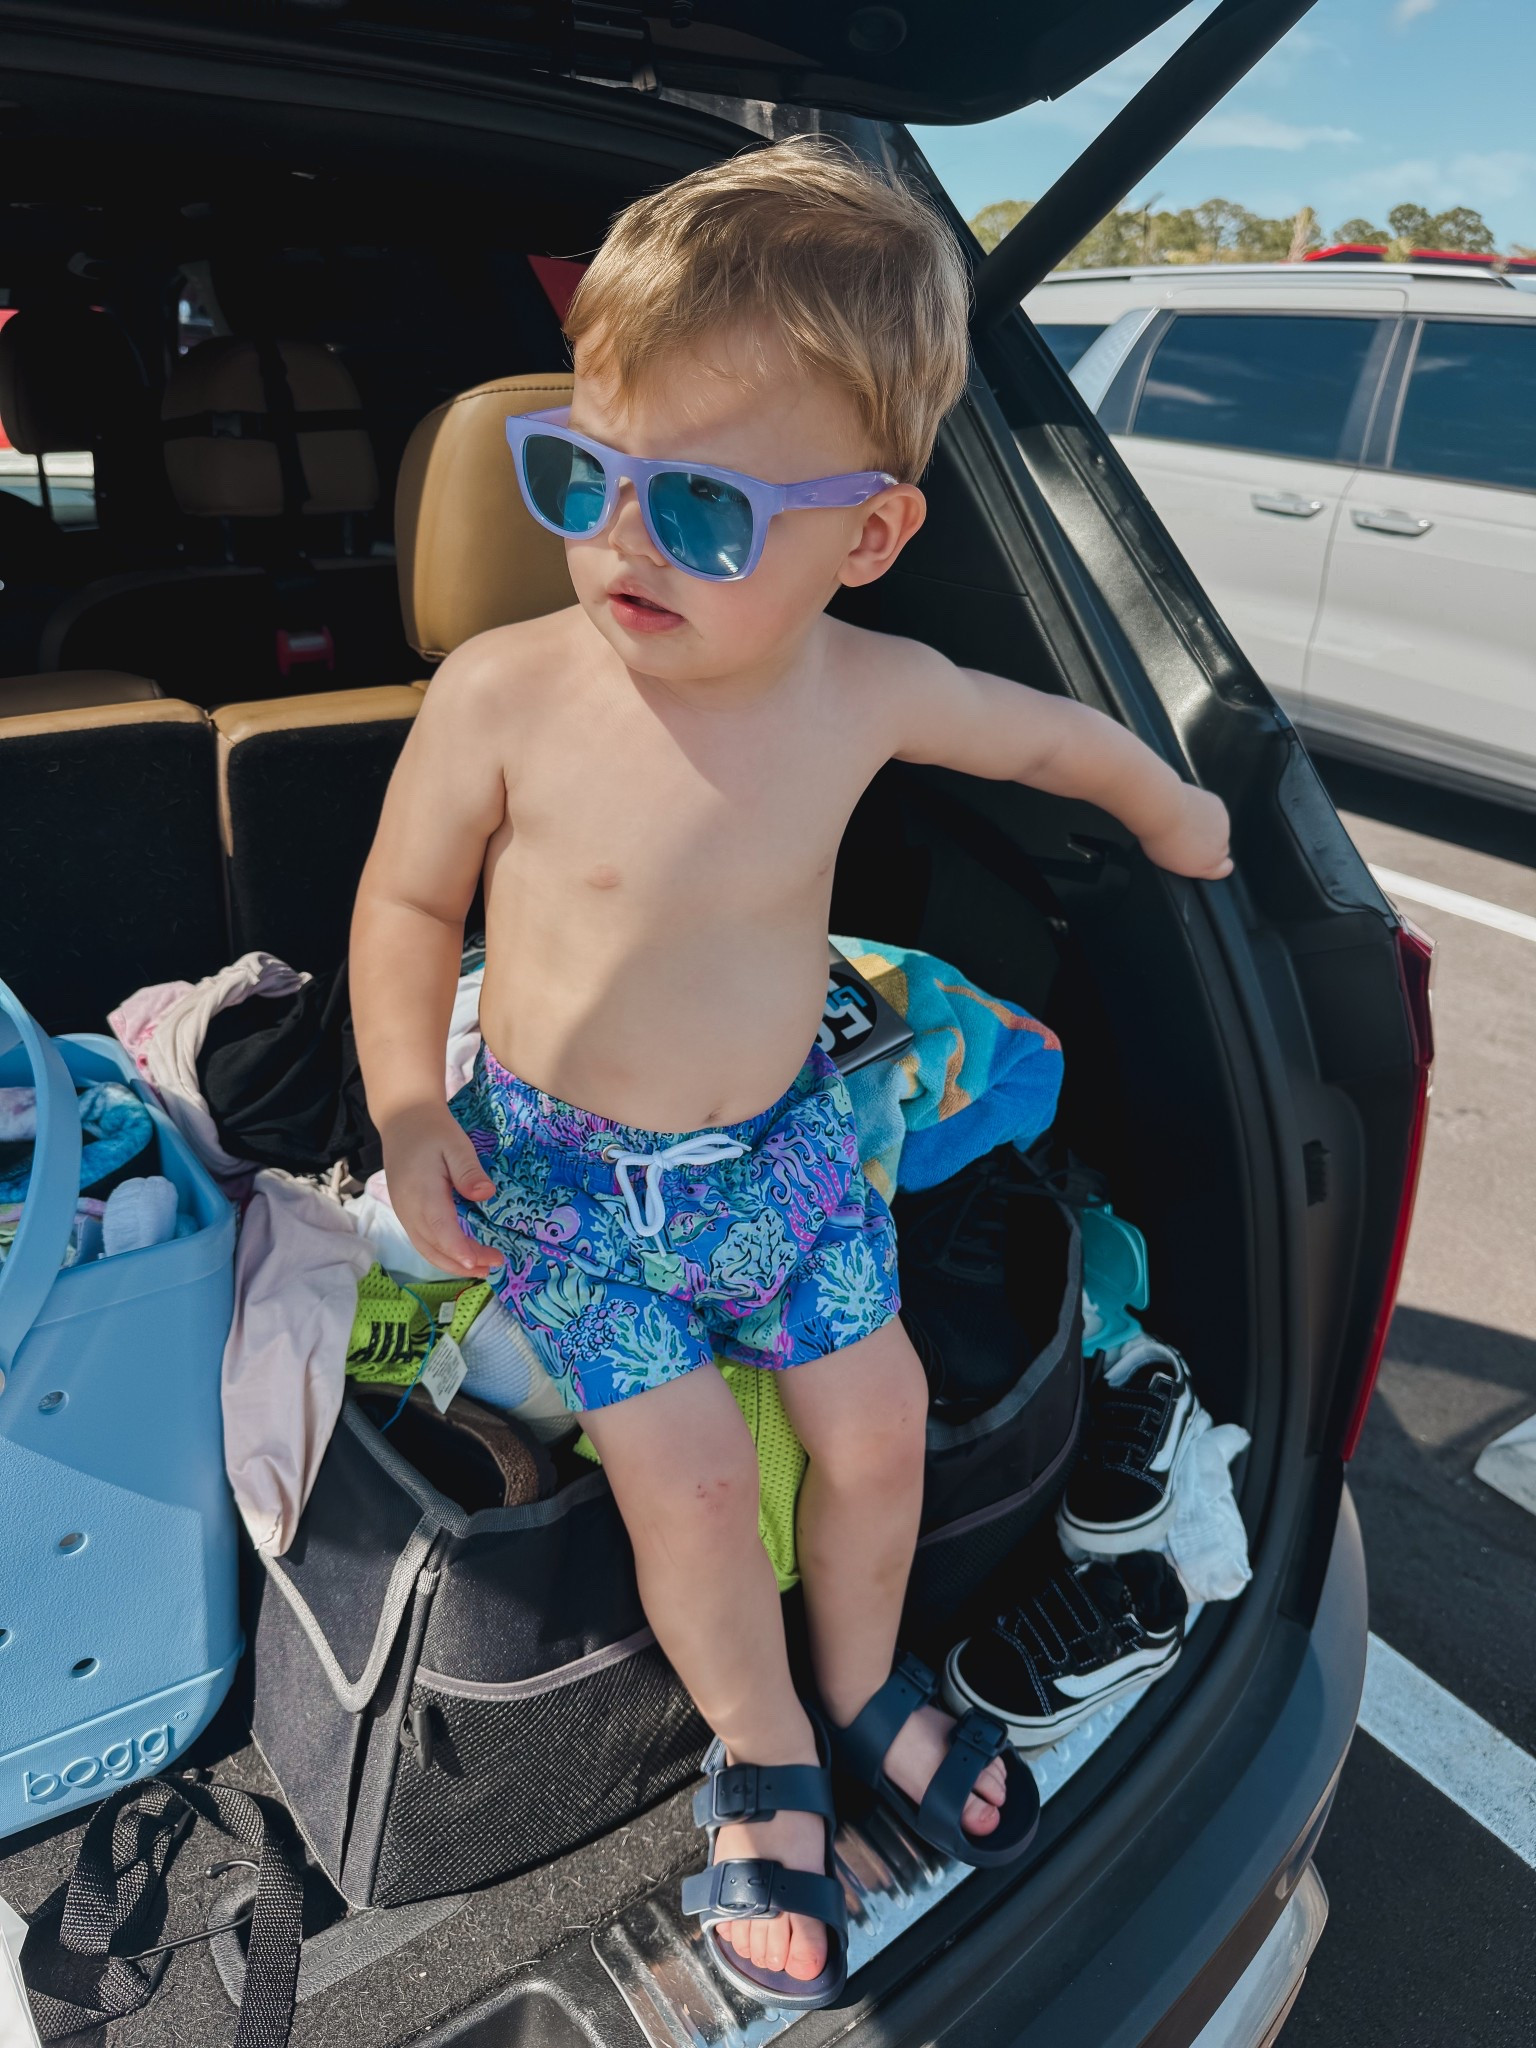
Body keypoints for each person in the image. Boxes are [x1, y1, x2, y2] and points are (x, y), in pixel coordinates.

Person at [351, 137, 1231, 2009]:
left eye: (706, 508)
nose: (625, 543)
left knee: (880, 1425)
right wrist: (412, 1108)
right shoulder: (506, 689)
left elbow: (1046, 738)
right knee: (680, 1483)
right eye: (582, 477)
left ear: (870, 537)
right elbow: (408, 904)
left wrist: (1176, 810)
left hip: (784, 1161)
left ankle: (865, 1682)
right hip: (570, 1180)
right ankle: (762, 1756)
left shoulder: (863, 687)